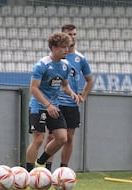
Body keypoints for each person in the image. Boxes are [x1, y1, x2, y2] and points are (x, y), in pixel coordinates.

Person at [25, 32, 80, 172]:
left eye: (67, 47)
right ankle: (28, 172)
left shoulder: (66, 65)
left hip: (54, 107)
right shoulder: (42, 65)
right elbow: (33, 89)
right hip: (39, 106)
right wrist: (47, 105)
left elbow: (64, 85)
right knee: (38, 139)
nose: (66, 50)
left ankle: (41, 161)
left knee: (63, 138)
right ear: (54, 48)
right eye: (63, 47)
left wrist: (72, 93)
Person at [44, 24, 93, 171]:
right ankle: (46, 168)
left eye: (74, 34)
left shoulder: (80, 59)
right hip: (56, 102)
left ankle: (63, 170)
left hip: (71, 105)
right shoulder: (53, 58)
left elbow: (90, 80)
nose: (72, 37)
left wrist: (83, 96)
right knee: (52, 136)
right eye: (69, 34)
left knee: (69, 138)